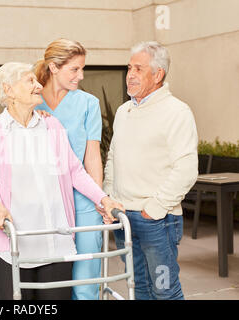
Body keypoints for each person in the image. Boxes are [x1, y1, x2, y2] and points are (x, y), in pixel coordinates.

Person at [0, 62, 124, 300]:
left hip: (56, 241)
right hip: (15, 244)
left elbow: (75, 172)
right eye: (30, 81)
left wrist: (103, 199)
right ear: (9, 90)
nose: (38, 85)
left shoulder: (52, 126)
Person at [103, 41, 198, 300]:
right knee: (139, 289)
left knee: (164, 290)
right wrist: (109, 197)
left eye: (138, 69)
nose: (130, 74)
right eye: (129, 68)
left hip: (157, 221)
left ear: (158, 74)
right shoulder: (124, 111)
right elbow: (113, 158)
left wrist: (154, 209)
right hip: (124, 218)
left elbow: (186, 168)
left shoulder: (177, 112)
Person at [34, 38, 104, 300]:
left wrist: (99, 199)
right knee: (53, 279)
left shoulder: (89, 103)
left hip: (83, 199)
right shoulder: (32, 101)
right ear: (53, 67)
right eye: (74, 69)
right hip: (45, 202)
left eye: (82, 69)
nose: (80, 76)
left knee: (85, 279)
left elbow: (92, 156)